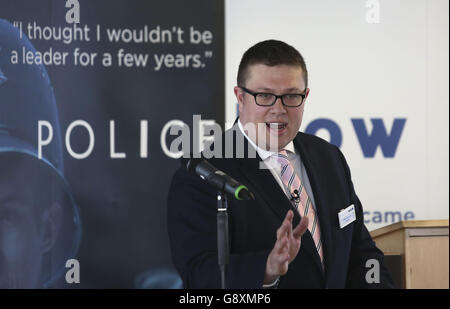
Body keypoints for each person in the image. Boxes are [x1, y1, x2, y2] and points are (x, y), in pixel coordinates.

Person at [167, 40, 393, 288]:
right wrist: (267, 269)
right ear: (240, 97)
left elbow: (362, 254)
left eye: (291, 96)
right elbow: (199, 273)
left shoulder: (329, 157)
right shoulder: (206, 174)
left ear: (305, 96)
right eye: (264, 96)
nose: (279, 109)